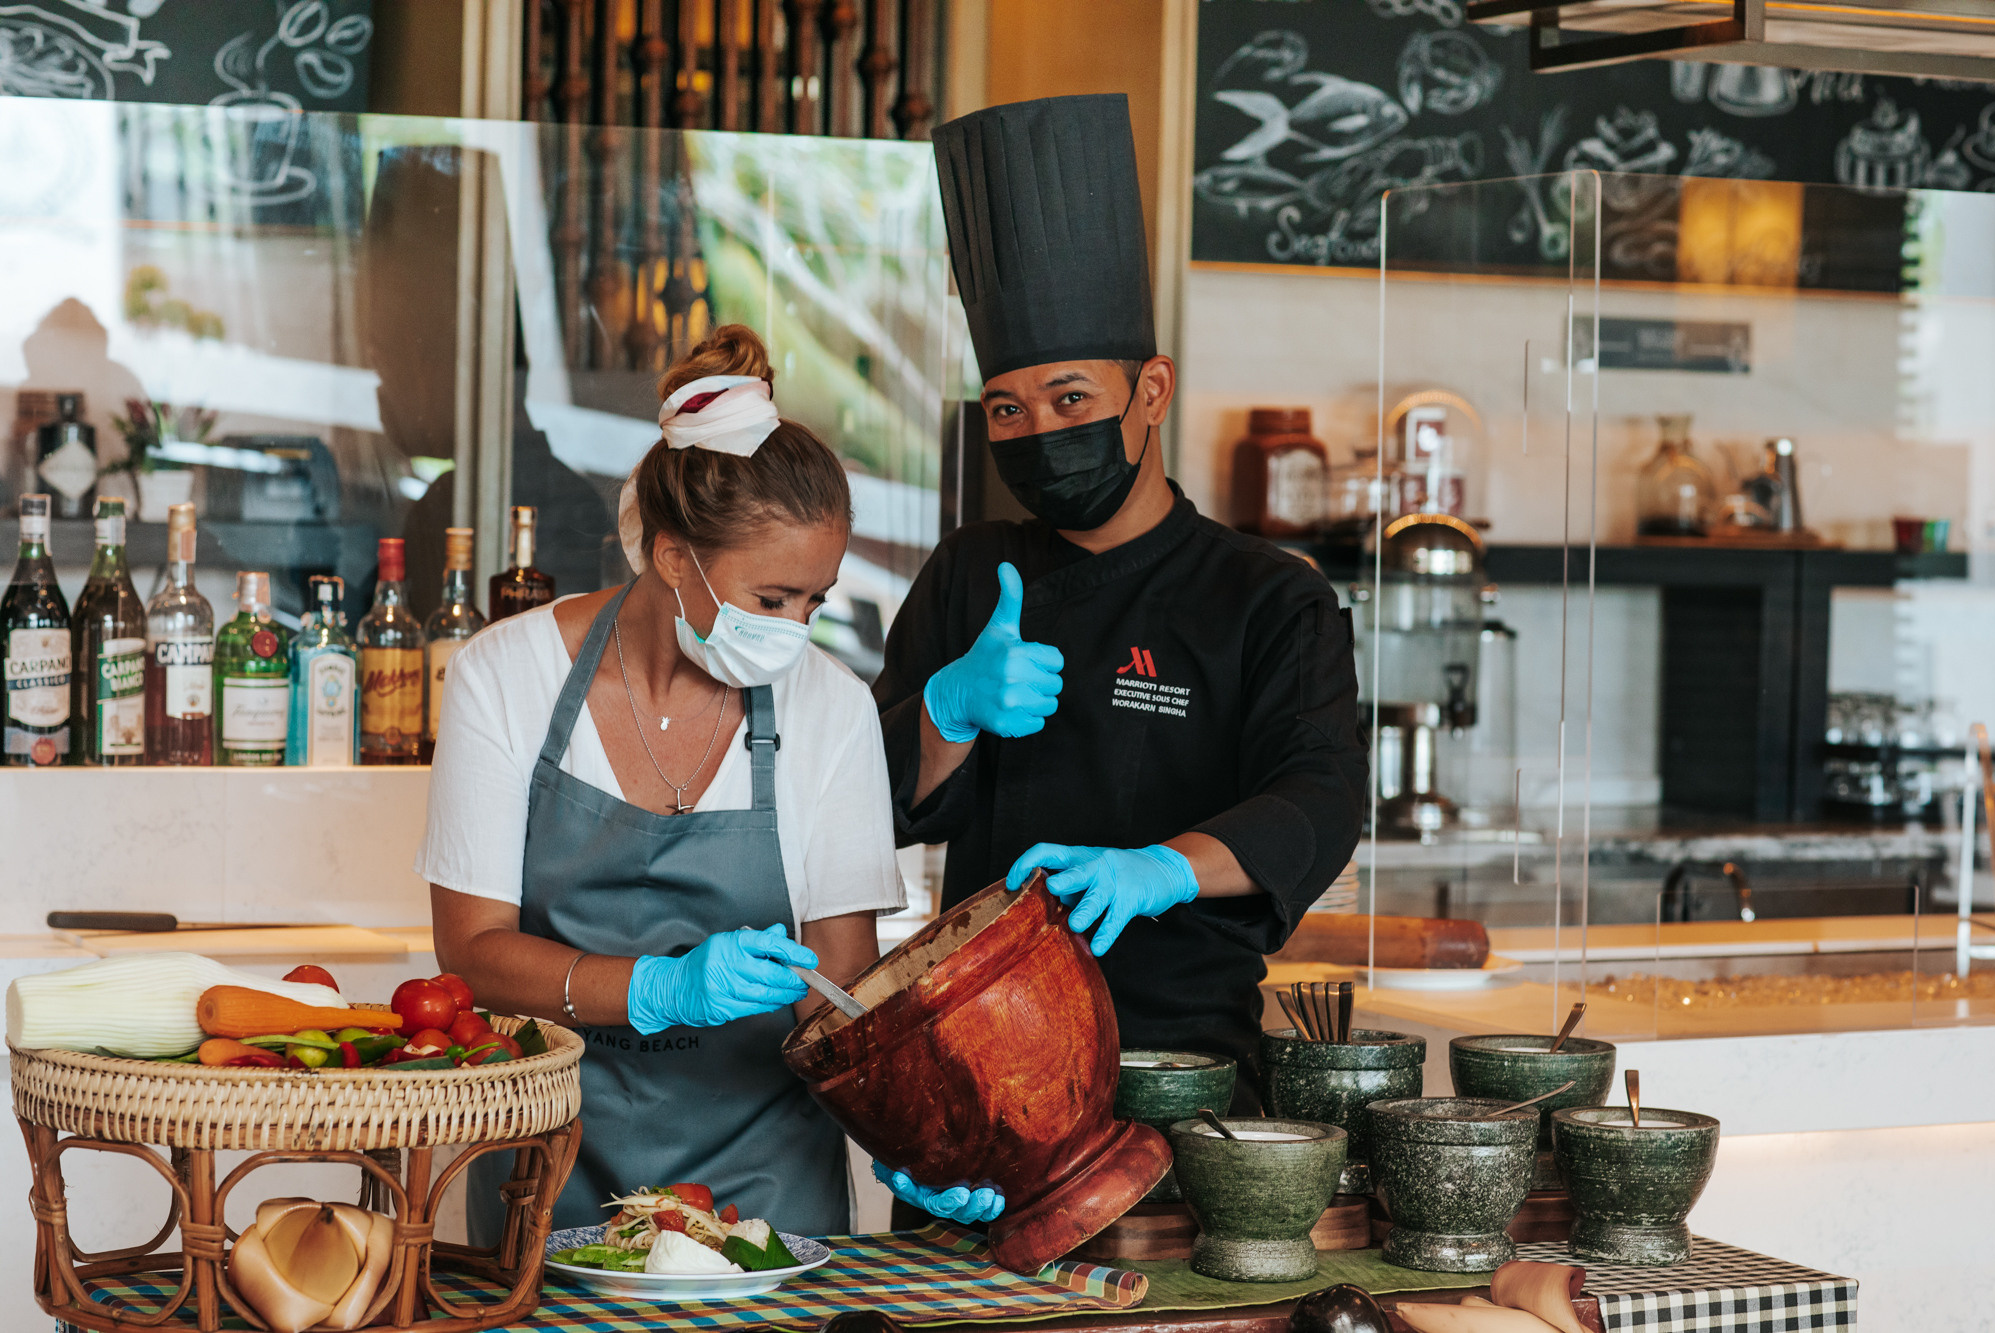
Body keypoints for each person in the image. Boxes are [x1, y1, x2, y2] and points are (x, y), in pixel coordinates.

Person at [870, 94, 1370, 1223]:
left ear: (1151, 391)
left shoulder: (1266, 596)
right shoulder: (970, 571)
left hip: (1178, 1082)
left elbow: (1321, 796)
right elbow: (861, 801)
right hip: (972, 1085)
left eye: (1069, 398)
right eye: (1007, 409)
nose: (1039, 431)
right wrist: (946, 713)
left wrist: (1161, 868)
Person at [419, 325, 906, 1241]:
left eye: (816, 600)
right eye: (771, 600)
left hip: (766, 1198)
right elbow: (473, 952)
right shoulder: (506, 675)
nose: (795, 631)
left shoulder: (833, 707)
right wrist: (659, 987)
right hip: (548, 1169)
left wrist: (919, 1133)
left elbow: (839, 991)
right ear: (675, 558)